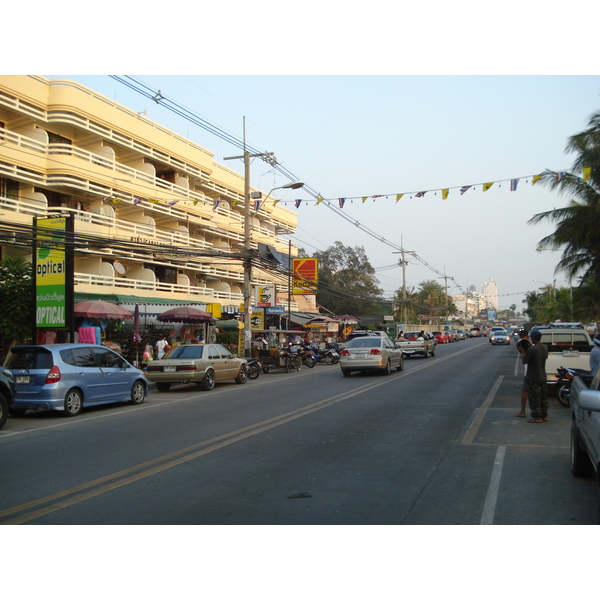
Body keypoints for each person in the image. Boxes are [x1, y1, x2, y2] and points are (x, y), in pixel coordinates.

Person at [522, 329, 549, 423]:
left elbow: (524, 361)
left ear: (533, 338)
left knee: (534, 398)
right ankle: (544, 415)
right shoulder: (545, 347)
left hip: (533, 376)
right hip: (542, 375)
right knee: (543, 398)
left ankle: (537, 417)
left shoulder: (532, 349)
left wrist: (523, 352)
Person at [514, 330, 531, 417]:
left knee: (525, 390)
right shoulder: (532, 345)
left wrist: (523, 352)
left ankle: (523, 411)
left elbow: (524, 360)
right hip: (539, 371)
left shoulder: (521, 344)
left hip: (529, 371)